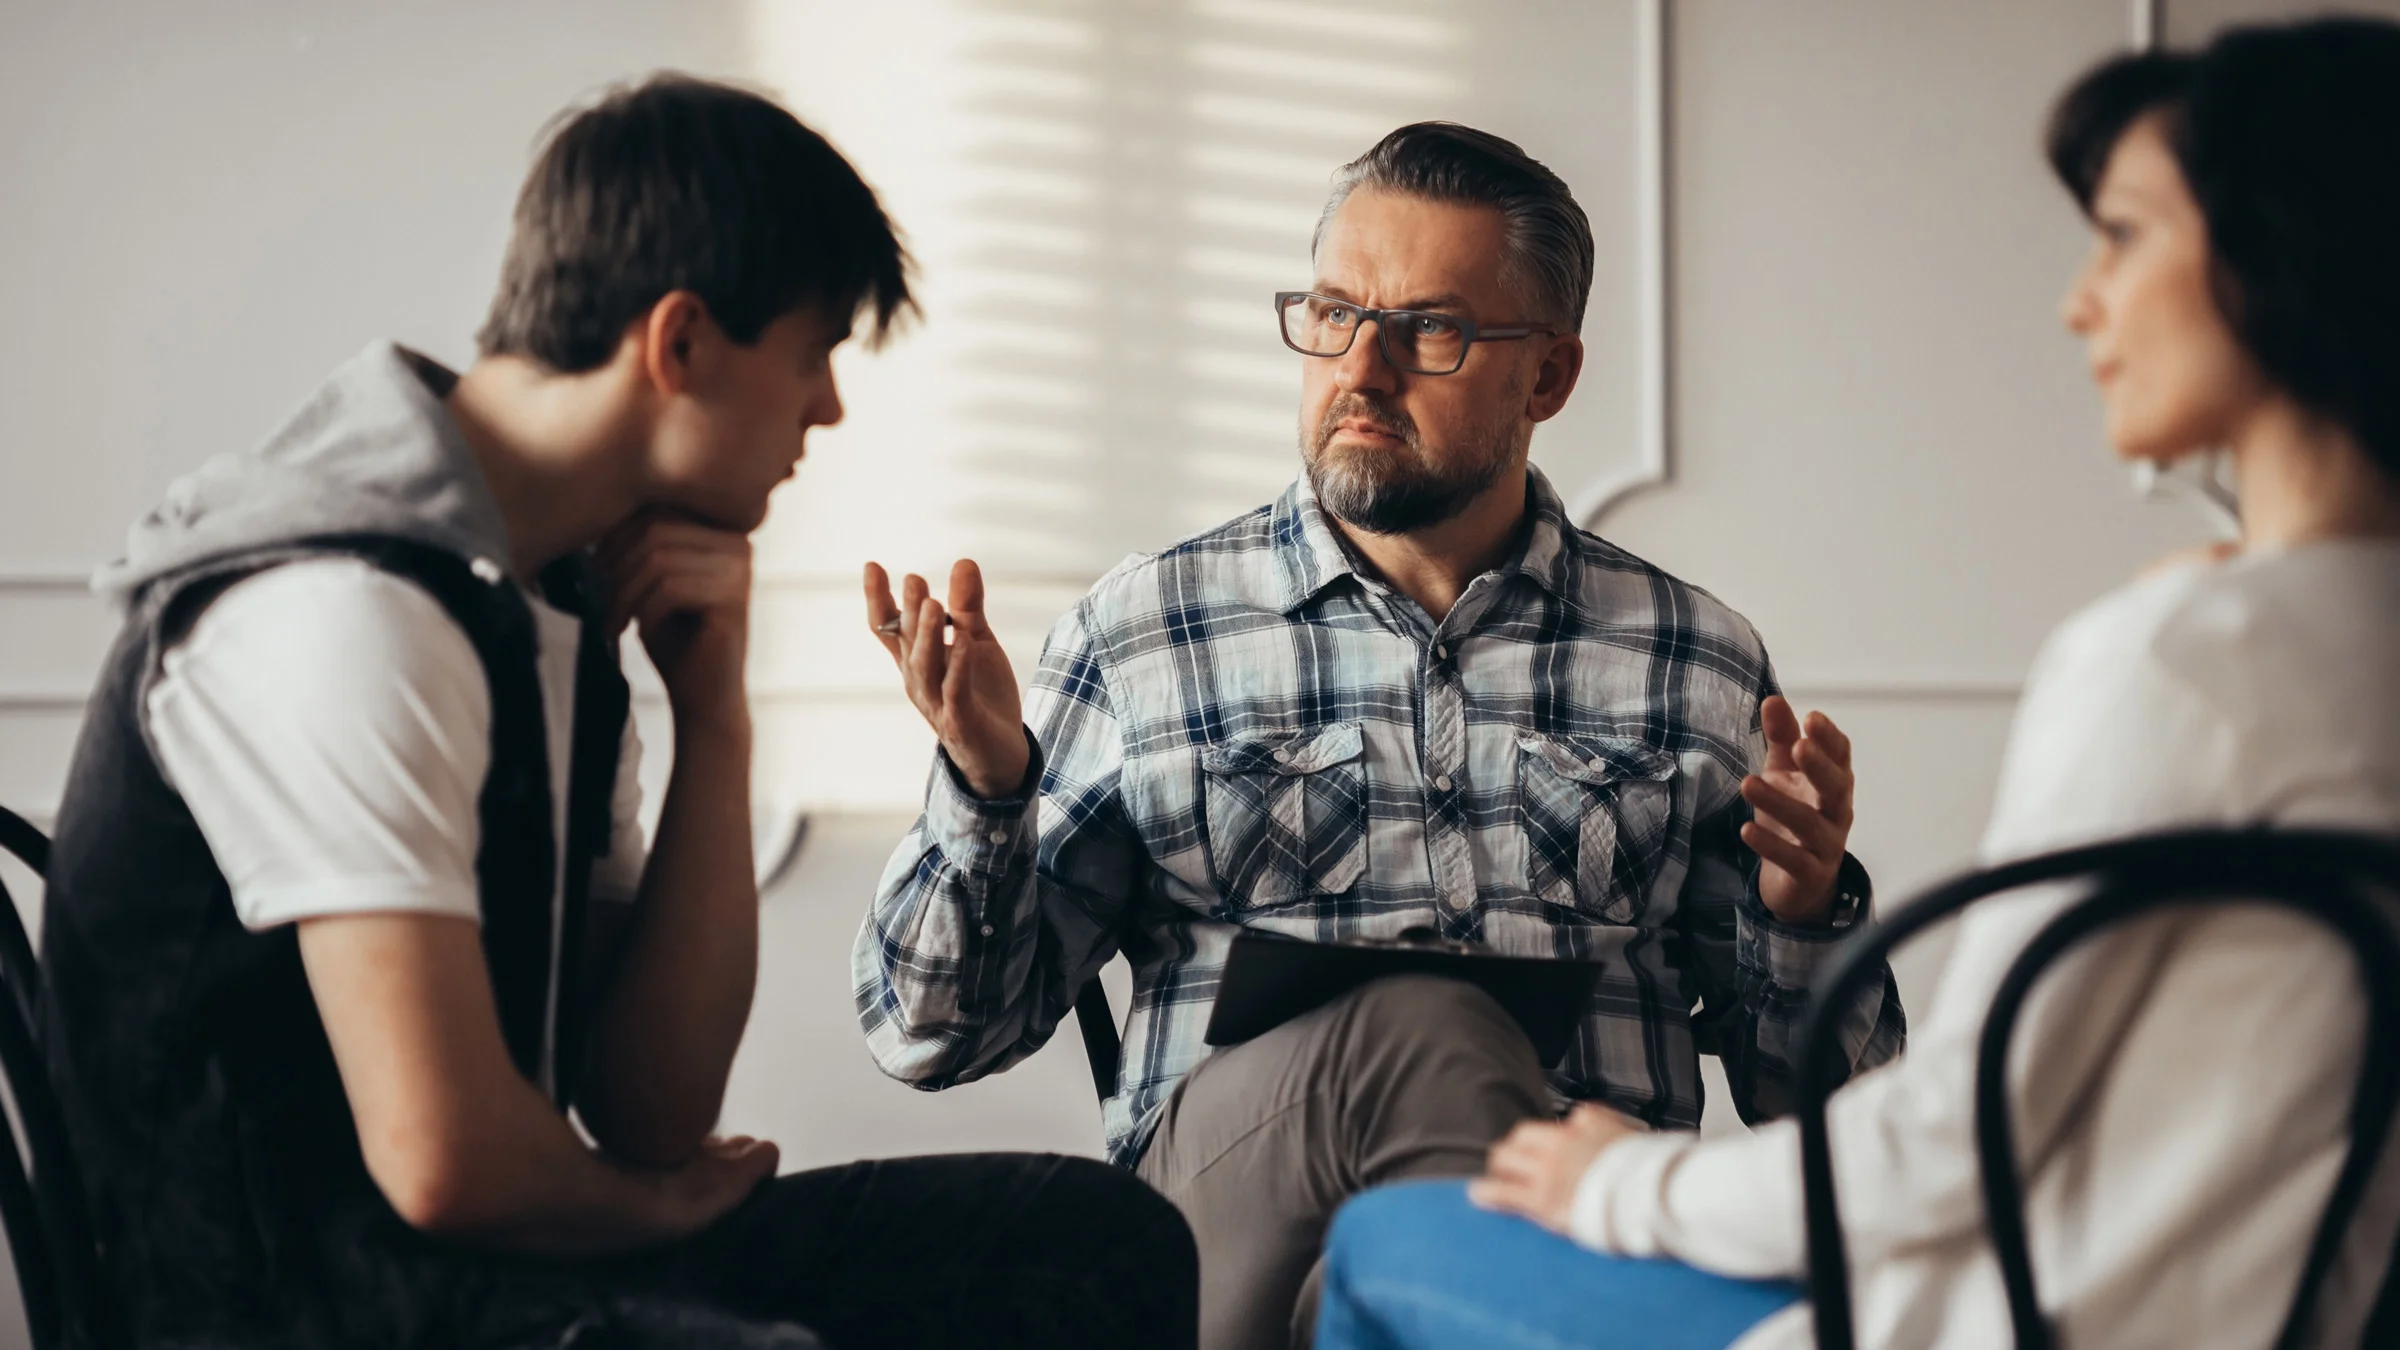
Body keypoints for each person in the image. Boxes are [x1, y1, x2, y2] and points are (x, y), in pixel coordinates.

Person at [40, 74, 1195, 1350]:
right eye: (811, 357)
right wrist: (659, 1211)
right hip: (280, 1306)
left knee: (1093, 1245)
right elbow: (445, 1161)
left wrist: (716, 715)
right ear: (682, 343)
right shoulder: (344, 608)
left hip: (486, 1273)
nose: (826, 409)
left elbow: (649, 1106)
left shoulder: (550, 612)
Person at [1313, 17, 2400, 1350]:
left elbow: (1955, 1133)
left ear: (2273, 257)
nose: (2080, 299)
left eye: (2121, 235)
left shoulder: (2189, 658)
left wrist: (1625, 1179)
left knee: (1390, 1239)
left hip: (2008, 1321)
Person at [856, 121, 1904, 1350]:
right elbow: (928, 1034)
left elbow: (1833, 1117)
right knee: (1425, 1032)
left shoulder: (1690, 658)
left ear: (1549, 378)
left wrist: (1802, 910)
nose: (1361, 368)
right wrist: (987, 788)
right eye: (1334, 314)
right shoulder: (1149, 631)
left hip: (1527, 1261)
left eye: (1430, 330)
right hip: (1228, 1244)